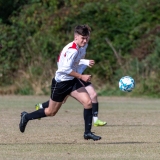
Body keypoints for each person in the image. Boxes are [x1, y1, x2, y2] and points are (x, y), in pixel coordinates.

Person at [19, 24, 101, 141]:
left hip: (72, 81)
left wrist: (84, 64)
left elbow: (76, 62)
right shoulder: (72, 50)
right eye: (82, 38)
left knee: (88, 102)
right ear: (76, 37)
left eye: (87, 37)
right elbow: (65, 69)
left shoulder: (82, 46)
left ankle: (87, 133)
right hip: (61, 83)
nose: (85, 40)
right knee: (51, 112)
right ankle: (26, 116)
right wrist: (81, 76)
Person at [35, 43, 107, 126]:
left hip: (78, 75)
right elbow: (68, 64)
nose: (86, 39)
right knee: (62, 101)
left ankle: (95, 120)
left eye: (87, 36)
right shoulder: (73, 48)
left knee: (93, 95)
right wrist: (85, 62)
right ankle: (41, 107)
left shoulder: (84, 45)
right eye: (84, 37)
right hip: (74, 76)